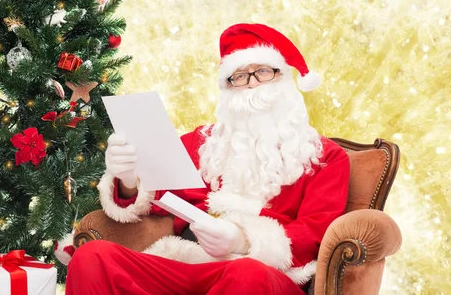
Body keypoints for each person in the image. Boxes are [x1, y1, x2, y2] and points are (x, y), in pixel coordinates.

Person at [65, 23, 350, 294]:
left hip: (264, 273)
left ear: (285, 78)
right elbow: (156, 194)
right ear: (227, 87)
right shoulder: (203, 143)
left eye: (263, 71)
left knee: (247, 274)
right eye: (239, 76)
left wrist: (243, 239)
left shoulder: (325, 158)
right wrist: (128, 177)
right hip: (188, 263)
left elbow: (315, 233)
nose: (251, 84)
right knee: (93, 255)